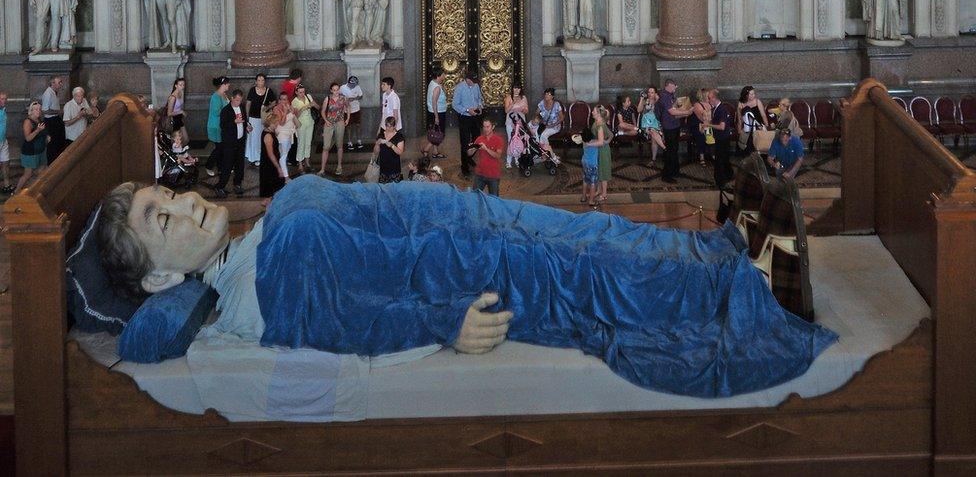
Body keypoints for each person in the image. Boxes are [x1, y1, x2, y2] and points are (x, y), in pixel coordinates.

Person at [94, 176, 837, 397]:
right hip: (459, 269)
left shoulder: (256, 239)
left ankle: (718, 247)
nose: (185, 202)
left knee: (582, 233)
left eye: (168, 193)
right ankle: (746, 291)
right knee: (587, 277)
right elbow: (348, 323)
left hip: (456, 215)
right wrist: (445, 320)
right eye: (163, 218)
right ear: (164, 274)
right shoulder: (264, 287)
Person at [214, 89, 250, 199]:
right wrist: (234, 122)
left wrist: (247, 126)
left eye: (240, 100)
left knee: (240, 165)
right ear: (232, 98)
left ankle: (237, 184)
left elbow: (244, 121)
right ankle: (219, 186)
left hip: (240, 141)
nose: (239, 102)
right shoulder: (226, 110)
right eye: (237, 100)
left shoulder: (242, 108)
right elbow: (223, 125)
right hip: (229, 143)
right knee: (227, 166)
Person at [452, 70, 484, 178]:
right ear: (467, 79)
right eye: (472, 81)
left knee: (477, 140)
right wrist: (466, 110)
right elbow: (455, 105)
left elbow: (479, 99)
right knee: (465, 142)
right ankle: (464, 167)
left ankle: (469, 157)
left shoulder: (476, 86)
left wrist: (479, 106)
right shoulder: (459, 88)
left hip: (475, 117)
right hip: (464, 118)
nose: (474, 83)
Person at [15, 101, 50, 194]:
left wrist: (47, 137)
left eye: (39, 109)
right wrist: (37, 130)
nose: (38, 111)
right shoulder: (28, 121)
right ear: (31, 111)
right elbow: (28, 138)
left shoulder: (39, 120)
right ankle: (16, 192)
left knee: (44, 170)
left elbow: (43, 133)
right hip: (30, 152)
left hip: (40, 150)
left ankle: (38, 191)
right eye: (36, 109)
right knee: (28, 174)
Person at [468, 117, 504, 196]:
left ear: (493, 127)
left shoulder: (498, 140)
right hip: (480, 174)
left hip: (493, 175)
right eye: (484, 127)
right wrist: (473, 148)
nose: (486, 129)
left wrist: (486, 149)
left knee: (494, 200)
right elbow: (469, 154)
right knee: (475, 197)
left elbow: (498, 155)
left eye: (488, 127)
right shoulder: (479, 139)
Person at [319, 82, 349, 176]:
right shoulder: (327, 99)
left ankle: (339, 166)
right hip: (329, 123)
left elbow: (348, 107)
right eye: (334, 90)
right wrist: (325, 120)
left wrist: (347, 118)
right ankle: (322, 168)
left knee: (339, 145)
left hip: (340, 122)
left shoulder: (343, 98)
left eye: (337, 89)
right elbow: (323, 111)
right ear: (331, 90)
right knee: (326, 146)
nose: (336, 92)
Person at [656, 79, 683, 183]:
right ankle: (666, 175)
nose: (675, 88)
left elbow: (675, 108)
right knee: (670, 151)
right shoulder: (664, 96)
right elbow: (671, 111)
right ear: (669, 85)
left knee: (675, 150)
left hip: (675, 125)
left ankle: (675, 171)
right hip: (669, 127)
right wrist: (687, 111)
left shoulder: (671, 95)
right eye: (674, 86)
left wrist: (682, 110)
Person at [245, 74, 275, 166]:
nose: (261, 82)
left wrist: (267, 107)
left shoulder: (269, 91)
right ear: (256, 81)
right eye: (259, 80)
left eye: (262, 80)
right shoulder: (252, 90)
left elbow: (274, 102)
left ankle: (261, 157)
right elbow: (248, 104)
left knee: (262, 138)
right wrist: (247, 118)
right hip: (253, 118)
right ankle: (253, 156)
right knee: (254, 138)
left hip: (264, 119)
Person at [707, 89, 733, 188]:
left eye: (709, 98)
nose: (708, 100)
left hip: (722, 138)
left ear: (714, 98)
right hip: (721, 138)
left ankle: (720, 181)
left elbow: (722, 127)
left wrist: (709, 125)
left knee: (719, 160)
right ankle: (729, 174)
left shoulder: (721, 109)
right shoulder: (717, 109)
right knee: (725, 158)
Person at [291, 84, 319, 174]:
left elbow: (318, 107)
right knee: (301, 143)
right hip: (300, 124)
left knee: (308, 142)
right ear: (296, 92)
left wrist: (314, 105)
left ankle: (307, 162)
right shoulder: (294, 101)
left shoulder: (308, 96)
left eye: (303, 92)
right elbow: (295, 116)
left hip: (310, 122)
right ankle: (299, 163)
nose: (302, 94)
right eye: (300, 92)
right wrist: (304, 108)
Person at [205, 77, 230, 176]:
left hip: (222, 125)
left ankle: (220, 168)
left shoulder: (223, 94)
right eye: (227, 83)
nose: (229, 85)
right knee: (220, 148)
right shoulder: (216, 96)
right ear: (223, 84)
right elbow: (216, 112)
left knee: (221, 148)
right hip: (216, 126)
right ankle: (208, 166)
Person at [272, 93, 299, 182]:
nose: (284, 101)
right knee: (283, 156)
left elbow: (295, 115)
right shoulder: (276, 109)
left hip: (289, 133)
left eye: (286, 99)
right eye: (282, 99)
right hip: (282, 134)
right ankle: (286, 177)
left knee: (285, 154)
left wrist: (292, 110)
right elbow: (281, 123)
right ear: (279, 100)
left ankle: (280, 172)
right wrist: (285, 112)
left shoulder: (289, 106)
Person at [422, 67, 448, 160]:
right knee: (439, 134)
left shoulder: (433, 83)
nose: (444, 76)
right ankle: (426, 149)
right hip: (438, 113)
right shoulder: (437, 87)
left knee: (435, 132)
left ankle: (435, 152)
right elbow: (434, 102)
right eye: (443, 74)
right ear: (438, 76)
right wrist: (437, 117)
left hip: (433, 112)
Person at [637, 87, 666, 167]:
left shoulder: (659, 102)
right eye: (649, 92)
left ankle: (653, 160)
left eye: (652, 92)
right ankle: (665, 148)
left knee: (654, 137)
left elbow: (662, 112)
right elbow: (639, 110)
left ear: (655, 93)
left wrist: (657, 100)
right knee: (652, 131)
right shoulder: (645, 101)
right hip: (646, 126)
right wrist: (641, 99)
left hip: (658, 125)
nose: (650, 94)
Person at [259, 114, 286, 200]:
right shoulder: (268, 136)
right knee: (270, 190)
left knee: (271, 190)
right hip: (269, 165)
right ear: (271, 124)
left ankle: (268, 203)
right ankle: (268, 206)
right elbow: (270, 154)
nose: (277, 124)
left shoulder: (269, 132)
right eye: (276, 122)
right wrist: (278, 167)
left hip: (270, 163)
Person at [589, 105, 613, 203]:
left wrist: (589, 144)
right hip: (599, 150)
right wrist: (606, 141)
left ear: (598, 114)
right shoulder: (597, 122)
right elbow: (610, 135)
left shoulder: (600, 125)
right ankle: (599, 190)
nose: (592, 112)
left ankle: (604, 194)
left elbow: (600, 142)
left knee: (603, 172)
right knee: (599, 171)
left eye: (593, 111)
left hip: (602, 151)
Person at [41, 75, 66, 164]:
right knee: (53, 145)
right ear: (52, 83)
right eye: (59, 82)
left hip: (56, 120)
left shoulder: (54, 92)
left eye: (61, 82)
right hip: (51, 122)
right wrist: (58, 112)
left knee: (60, 142)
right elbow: (44, 111)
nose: (61, 84)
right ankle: (52, 165)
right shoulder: (48, 93)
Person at [503, 84, 529, 169]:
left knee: (520, 140)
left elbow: (527, 111)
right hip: (511, 121)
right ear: (512, 89)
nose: (516, 90)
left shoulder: (524, 98)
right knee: (511, 140)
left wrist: (523, 110)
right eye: (515, 88)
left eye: (518, 88)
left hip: (520, 121)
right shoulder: (508, 97)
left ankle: (518, 159)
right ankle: (508, 161)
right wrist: (513, 103)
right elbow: (506, 110)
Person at [737, 85, 768, 153]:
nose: (753, 95)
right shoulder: (741, 103)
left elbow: (763, 115)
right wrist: (739, 130)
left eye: (754, 94)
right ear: (746, 95)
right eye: (751, 94)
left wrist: (766, 125)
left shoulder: (757, 101)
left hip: (757, 126)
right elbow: (739, 118)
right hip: (747, 127)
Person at [374, 115, 404, 183]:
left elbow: (400, 152)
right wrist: (377, 144)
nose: (388, 128)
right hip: (383, 168)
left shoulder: (399, 136)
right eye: (387, 126)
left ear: (394, 126)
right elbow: (375, 152)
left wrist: (392, 146)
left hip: (394, 168)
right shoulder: (381, 135)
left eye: (390, 126)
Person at [340, 76, 365, 150]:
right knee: (348, 126)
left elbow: (361, 96)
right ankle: (349, 142)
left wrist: (354, 98)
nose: (353, 86)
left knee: (358, 125)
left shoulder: (357, 87)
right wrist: (345, 99)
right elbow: (338, 95)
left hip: (356, 109)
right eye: (352, 84)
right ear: (348, 82)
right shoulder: (342, 87)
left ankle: (359, 141)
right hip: (346, 110)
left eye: (354, 84)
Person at [691, 88, 712, 167]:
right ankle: (701, 156)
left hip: (708, 124)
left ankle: (712, 154)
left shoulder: (710, 103)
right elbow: (702, 119)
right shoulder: (697, 105)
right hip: (698, 125)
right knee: (702, 137)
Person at [166, 78, 188, 144]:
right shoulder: (172, 97)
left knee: (184, 139)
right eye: (180, 85)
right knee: (178, 140)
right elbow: (169, 113)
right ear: (176, 85)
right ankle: (177, 152)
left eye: (183, 85)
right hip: (174, 120)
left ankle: (179, 152)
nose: (182, 86)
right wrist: (181, 112)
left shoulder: (180, 94)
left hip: (179, 118)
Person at [0, 92, 12, 194]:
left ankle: (6, 185)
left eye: (5, 99)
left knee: (6, 162)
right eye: (2, 99)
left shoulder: (4, 110)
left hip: (3, 140)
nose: (4, 101)